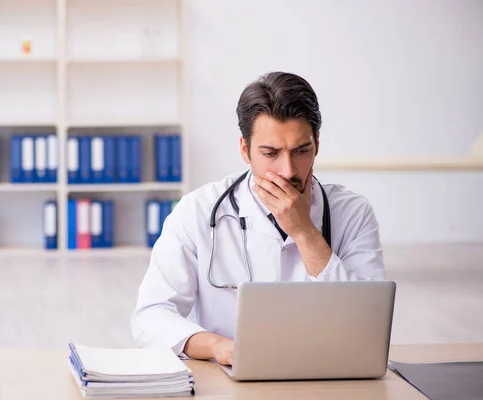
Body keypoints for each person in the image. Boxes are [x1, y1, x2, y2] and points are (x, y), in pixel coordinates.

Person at [130, 71, 385, 367]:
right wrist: (219, 347)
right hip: (230, 377)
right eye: (270, 153)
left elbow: (368, 323)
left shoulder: (352, 213)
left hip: (328, 375)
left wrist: (304, 232)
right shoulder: (197, 211)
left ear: (317, 144)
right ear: (245, 150)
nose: (288, 170)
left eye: (301, 151)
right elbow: (150, 316)